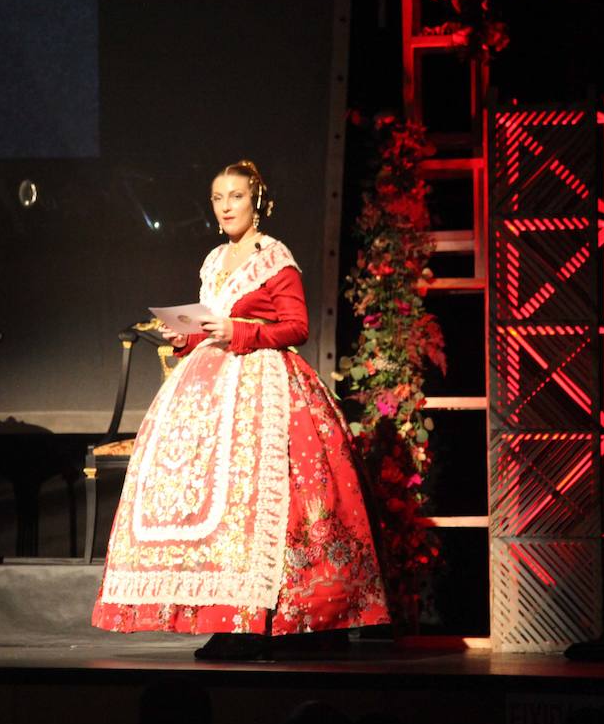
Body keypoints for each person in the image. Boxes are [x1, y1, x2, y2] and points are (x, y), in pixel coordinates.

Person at [91, 159, 389, 659]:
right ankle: (231, 617)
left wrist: (241, 332)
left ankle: (294, 619)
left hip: (267, 385)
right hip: (210, 384)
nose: (227, 206)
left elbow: (296, 327)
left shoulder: (274, 257)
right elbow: (210, 324)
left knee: (271, 498)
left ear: (257, 202)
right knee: (218, 501)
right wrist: (184, 335)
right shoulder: (212, 261)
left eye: (236, 196)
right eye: (218, 198)